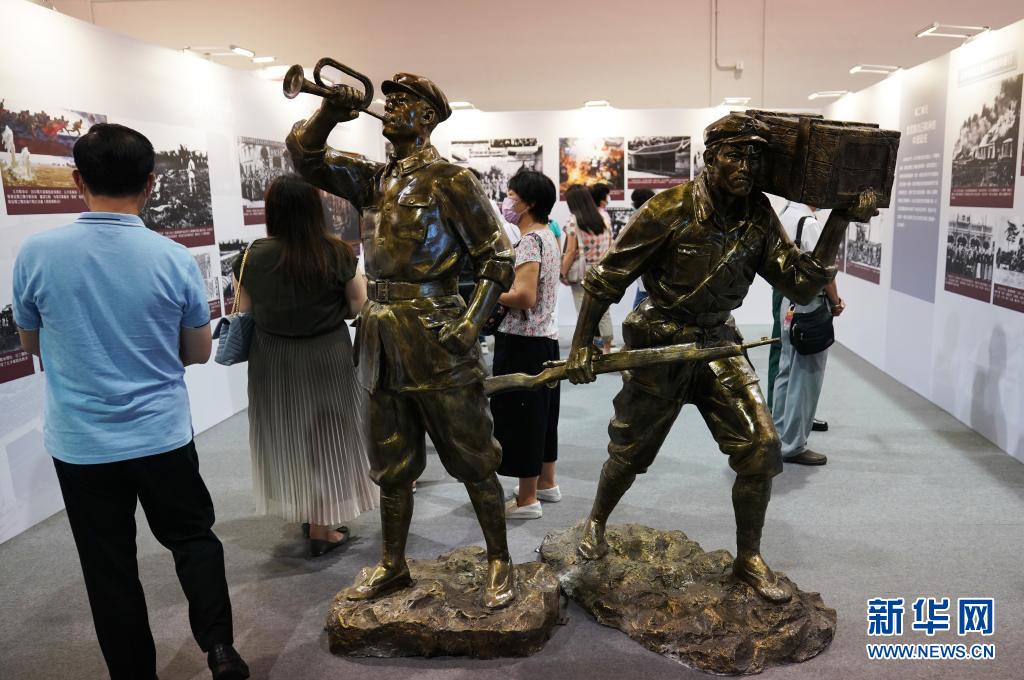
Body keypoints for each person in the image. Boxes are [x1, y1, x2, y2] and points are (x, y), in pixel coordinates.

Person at [565, 113, 876, 603]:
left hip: (719, 343)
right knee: (630, 451)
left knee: (762, 448)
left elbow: (799, 284)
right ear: (710, 158)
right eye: (735, 155)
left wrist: (839, 219)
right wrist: (582, 344)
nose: (746, 167)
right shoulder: (668, 208)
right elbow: (608, 279)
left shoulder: (759, 214)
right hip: (661, 341)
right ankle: (596, 520)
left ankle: (748, 558)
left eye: (755, 158)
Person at [11, 123, 248, 680]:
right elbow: (196, 353)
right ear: (150, 184)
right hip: (161, 432)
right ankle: (219, 648)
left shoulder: (37, 254)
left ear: (77, 181)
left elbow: (31, 343)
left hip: (81, 442)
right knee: (192, 538)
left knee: (107, 564)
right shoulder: (173, 258)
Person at [287, 72, 518, 608]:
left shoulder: (451, 180)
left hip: (436, 330)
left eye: (403, 102)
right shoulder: (372, 179)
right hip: (380, 332)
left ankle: (500, 559)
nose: (389, 108)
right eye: (388, 101)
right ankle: (393, 564)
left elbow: (497, 257)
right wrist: (330, 112)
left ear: (428, 117)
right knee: (391, 461)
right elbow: (306, 157)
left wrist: (471, 324)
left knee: (472, 455)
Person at [233, 174, 378, 555]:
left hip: (272, 358)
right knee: (329, 434)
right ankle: (320, 526)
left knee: (287, 433)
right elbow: (358, 306)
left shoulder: (251, 256)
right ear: (315, 209)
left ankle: (304, 510)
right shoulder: (337, 253)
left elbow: (244, 310)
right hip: (327, 353)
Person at [490, 170, 561, 520]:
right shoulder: (550, 235)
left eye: (512, 196)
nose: (507, 202)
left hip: (522, 343)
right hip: (545, 340)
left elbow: (525, 296)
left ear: (529, 203)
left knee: (523, 420)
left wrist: (489, 292)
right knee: (544, 417)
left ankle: (527, 499)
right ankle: (547, 482)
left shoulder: (530, 241)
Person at [769, 202, 845, 466]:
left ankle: (778, 436)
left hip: (787, 302)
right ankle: (793, 445)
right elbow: (824, 271)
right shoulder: (809, 225)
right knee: (806, 377)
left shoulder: (783, 216)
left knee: (786, 371)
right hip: (809, 305)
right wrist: (835, 302)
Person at [561, 184, 614, 352]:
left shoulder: (573, 221)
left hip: (582, 273)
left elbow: (570, 251)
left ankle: (586, 347)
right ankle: (607, 348)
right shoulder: (604, 217)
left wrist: (563, 273)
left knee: (584, 313)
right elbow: (611, 244)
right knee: (603, 310)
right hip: (602, 270)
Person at [630, 188, 656, 308]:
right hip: (651, 276)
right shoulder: (658, 218)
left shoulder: (638, 222)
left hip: (647, 275)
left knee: (638, 310)